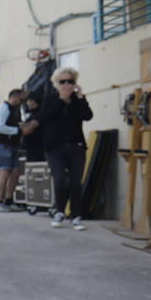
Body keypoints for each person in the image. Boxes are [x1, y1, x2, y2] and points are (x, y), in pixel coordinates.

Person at [39, 66, 92, 230]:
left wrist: (80, 97)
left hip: (76, 145)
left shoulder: (78, 100)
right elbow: (44, 117)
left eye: (70, 81)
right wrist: (61, 100)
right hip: (55, 147)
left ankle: (75, 216)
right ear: (56, 84)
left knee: (76, 181)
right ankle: (60, 211)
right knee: (60, 178)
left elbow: (87, 116)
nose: (67, 85)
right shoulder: (50, 99)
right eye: (63, 81)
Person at [0, 88, 26, 212]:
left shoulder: (15, 110)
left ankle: (9, 200)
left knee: (15, 172)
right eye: (21, 99)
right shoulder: (4, 108)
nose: (22, 102)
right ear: (14, 97)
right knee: (5, 172)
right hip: (3, 145)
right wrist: (18, 130)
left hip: (13, 144)